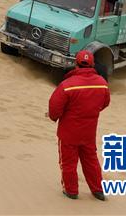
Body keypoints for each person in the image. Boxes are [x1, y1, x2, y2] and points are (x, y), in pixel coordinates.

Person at [48, 50, 110, 201]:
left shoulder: (67, 85)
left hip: (68, 133)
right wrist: (91, 111)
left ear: (76, 64)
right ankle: (98, 190)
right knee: (91, 161)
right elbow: (105, 103)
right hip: (88, 132)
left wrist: (54, 117)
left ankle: (71, 191)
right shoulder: (102, 84)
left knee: (68, 163)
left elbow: (54, 108)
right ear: (92, 64)